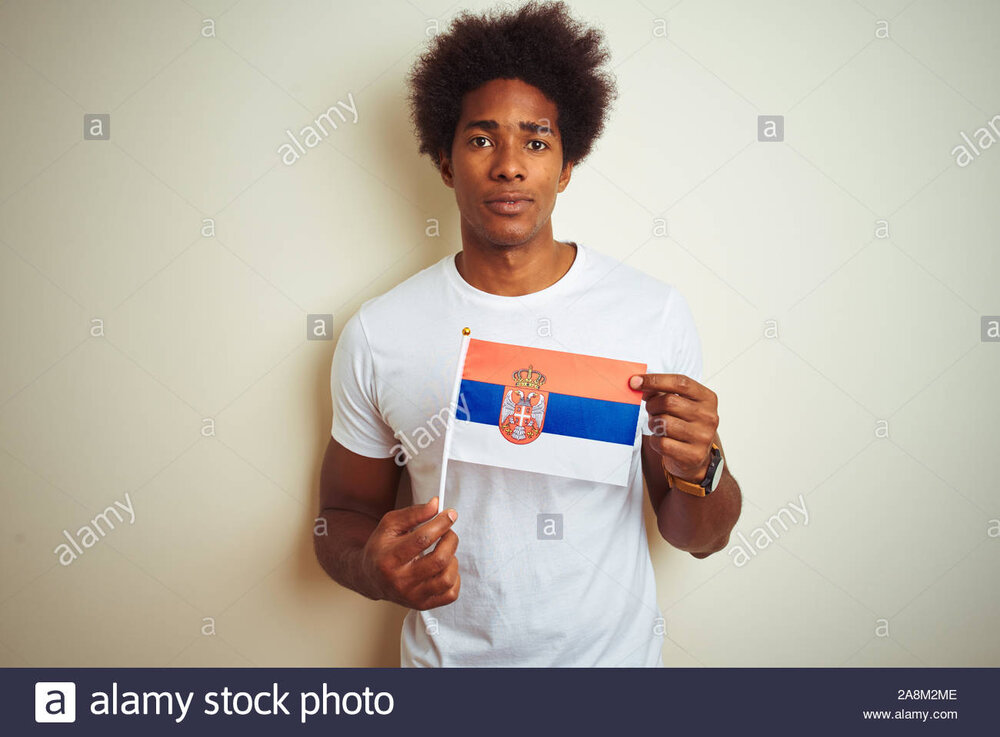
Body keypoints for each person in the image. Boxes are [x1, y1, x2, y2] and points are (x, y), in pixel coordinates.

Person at [314, 0, 741, 667]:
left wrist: (703, 466)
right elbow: (338, 514)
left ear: (567, 166)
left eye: (536, 141)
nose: (509, 164)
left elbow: (698, 537)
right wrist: (372, 567)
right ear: (446, 161)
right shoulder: (380, 331)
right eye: (482, 138)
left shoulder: (648, 313)